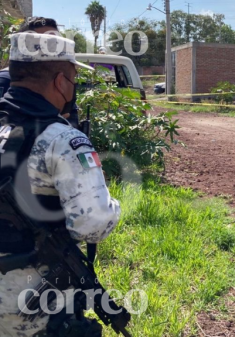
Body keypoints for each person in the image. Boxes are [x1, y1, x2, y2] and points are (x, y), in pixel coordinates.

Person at [0, 32, 121, 337]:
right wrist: (112, 203)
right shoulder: (63, 140)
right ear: (59, 81)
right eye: (73, 77)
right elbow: (93, 225)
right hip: (29, 303)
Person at [0, 17, 80, 129]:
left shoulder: (64, 84)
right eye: (43, 42)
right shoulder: (3, 80)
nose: (53, 50)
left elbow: (72, 119)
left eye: (57, 43)